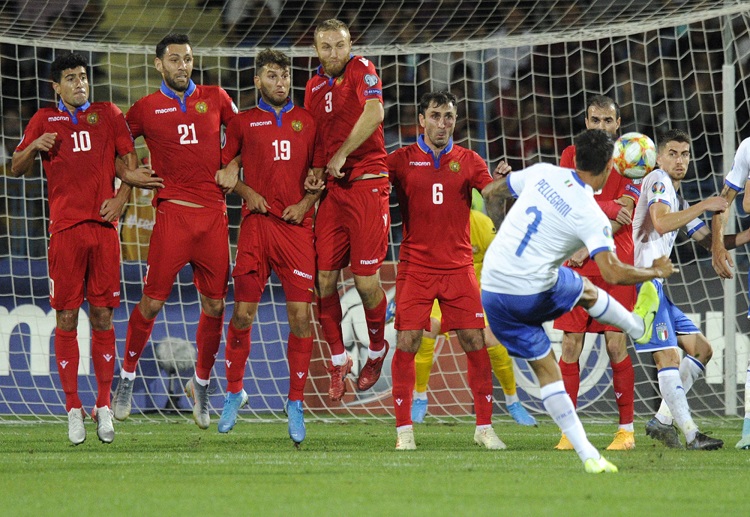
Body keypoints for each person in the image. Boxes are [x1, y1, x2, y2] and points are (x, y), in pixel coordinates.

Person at [481, 129, 674, 473]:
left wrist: (501, 228)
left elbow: (491, 191)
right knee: (583, 289)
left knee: (547, 367)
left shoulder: (542, 171)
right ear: (606, 168)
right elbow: (613, 272)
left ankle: (587, 453)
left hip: (493, 288)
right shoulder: (590, 211)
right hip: (532, 289)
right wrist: (654, 272)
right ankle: (634, 324)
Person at [10, 52, 161, 445]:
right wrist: (33, 147)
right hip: (64, 233)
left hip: (103, 231)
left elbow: (127, 163)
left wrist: (124, 196)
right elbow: (15, 167)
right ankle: (73, 409)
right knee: (64, 319)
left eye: (83, 76)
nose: (80, 83)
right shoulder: (44, 120)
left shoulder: (109, 114)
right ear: (55, 86)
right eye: (71, 78)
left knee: (102, 318)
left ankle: (103, 406)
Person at [111, 34, 238, 429]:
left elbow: (245, 133)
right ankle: (127, 379)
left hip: (214, 219)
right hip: (172, 219)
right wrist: (127, 176)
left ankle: (200, 386)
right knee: (150, 303)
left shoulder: (216, 97)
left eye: (187, 58)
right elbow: (111, 146)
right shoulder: (146, 109)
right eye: (174, 59)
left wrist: (234, 165)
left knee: (215, 306)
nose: (183, 65)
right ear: (158, 65)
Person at [387, 91, 504, 450]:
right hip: (416, 267)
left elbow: (491, 193)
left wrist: (502, 184)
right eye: (435, 116)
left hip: (458, 268)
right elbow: (371, 188)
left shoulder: (468, 160)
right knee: (407, 342)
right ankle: (404, 431)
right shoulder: (402, 160)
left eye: (448, 117)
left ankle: (484, 427)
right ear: (421, 119)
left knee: (475, 342)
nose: (442, 123)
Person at [213, 48, 318, 445]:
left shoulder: (307, 122)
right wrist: (246, 191)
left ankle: (294, 402)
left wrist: (305, 203)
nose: (280, 82)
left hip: (295, 228)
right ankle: (235, 390)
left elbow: (320, 176)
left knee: (300, 318)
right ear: (257, 81)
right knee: (242, 314)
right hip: (256, 226)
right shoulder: (243, 122)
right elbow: (222, 173)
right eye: (272, 76)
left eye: (284, 75)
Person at [633, 129, 736, 450]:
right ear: (659, 157)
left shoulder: (679, 198)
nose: (680, 160)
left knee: (702, 349)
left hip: (656, 286)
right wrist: (707, 203)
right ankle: (691, 434)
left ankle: (663, 421)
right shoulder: (658, 180)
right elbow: (661, 222)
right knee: (668, 357)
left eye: (685, 154)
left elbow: (708, 240)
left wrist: (732, 240)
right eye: (673, 153)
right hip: (642, 282)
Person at [304, 19, 390, 402]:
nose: (334, 53)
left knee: (365, 281)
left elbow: (375, 112)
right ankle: (339, 361)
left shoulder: (362, 69)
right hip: (333, 191)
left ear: (350, 44)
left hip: (367, 182)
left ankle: (375, 351)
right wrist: (312, 177)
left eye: (340, 46)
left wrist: (342, 153)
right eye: (327, 47)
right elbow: (316, 139)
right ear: (316, 49)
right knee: (321, 282)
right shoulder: (312, 85)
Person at [552, 95, 641, 451]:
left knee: (615, 342)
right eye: (595, 120)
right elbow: (567, 203)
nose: (601, 127)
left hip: (614, 261)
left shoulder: (635, 157)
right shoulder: (570, 155)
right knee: (571, 344)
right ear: (586, 122)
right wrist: (604, 209)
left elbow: (628, 210)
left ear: (618, 124)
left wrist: (586, 243)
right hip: (574, 263)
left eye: (607, 121)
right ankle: (568, 432)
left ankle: (626, 431)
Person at [411, 204, 537, 427]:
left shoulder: (481, 223)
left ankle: (512, 402)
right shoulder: (432, 224)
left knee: (490, 338)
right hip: (440, 289)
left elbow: (502, 260)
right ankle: (419, 398)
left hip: (475, 290)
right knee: (427, 328)